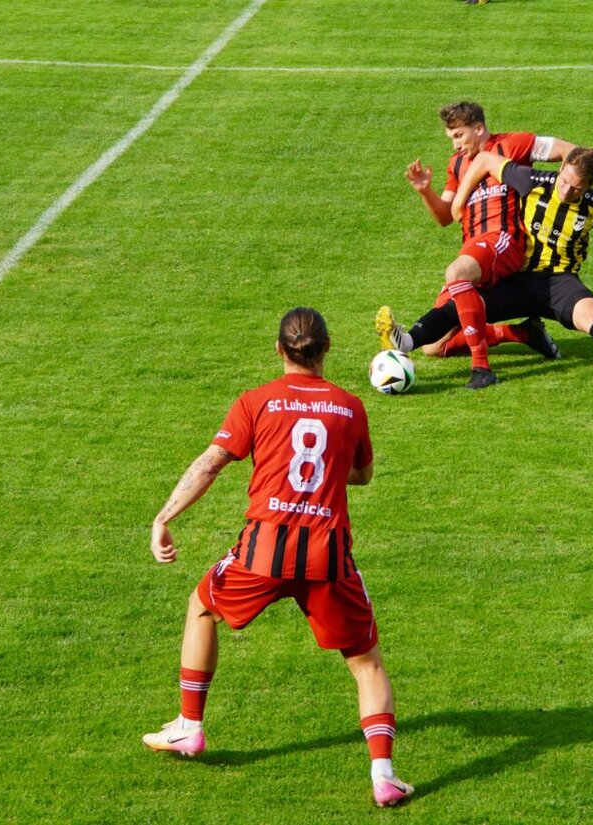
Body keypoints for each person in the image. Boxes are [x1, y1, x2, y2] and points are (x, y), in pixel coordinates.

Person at [143, 307, 413, 808]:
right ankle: (384, 776)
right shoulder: (351, 406)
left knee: (201, 606)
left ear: (278, 350)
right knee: (367, 664)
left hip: (262, 551)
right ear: (327, 349)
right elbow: (363, 475)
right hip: (327, 556)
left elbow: (210, 465)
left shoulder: (256, 401)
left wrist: (164, 517)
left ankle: (189, 726)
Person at [385, 147, 593, 396]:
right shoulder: (533, 180)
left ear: (589, 186)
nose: (566, 191)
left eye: (576, 189)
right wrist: (458, 201)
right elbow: (486, 160)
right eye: (564, 181)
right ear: (561, 167)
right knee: (461, 306)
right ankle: (407, 340)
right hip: (515, 279)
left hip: (560, 283)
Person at [395, 101, 575, 389]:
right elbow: (446, 216)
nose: (455, 145)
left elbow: (571, 152)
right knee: (435, 346)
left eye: (459, 136)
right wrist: (425, 191)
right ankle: (522, 334)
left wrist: (561, 199)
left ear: (479, 129)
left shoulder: (513, 144)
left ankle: (482, 369)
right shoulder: (456, 165)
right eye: (451, 138)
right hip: (474, 249)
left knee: (456, 273)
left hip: (503, 238)